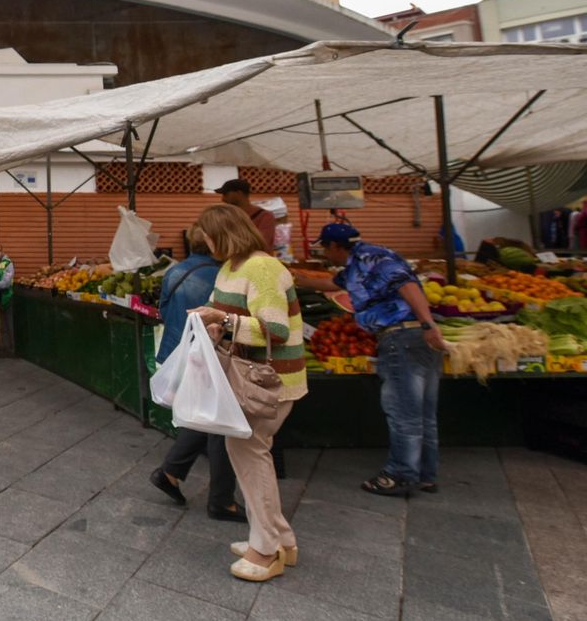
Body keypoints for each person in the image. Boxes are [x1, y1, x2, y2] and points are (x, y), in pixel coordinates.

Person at [189, 204, 307, 582]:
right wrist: (211, 320)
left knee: (251, 455)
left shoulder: (262, 267)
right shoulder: (231, 267)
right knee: (249, 452)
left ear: (222, 233)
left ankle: (266, 549)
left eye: (208, 237)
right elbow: (226, 312)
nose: (205, 244)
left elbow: (276, 330)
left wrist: (221, 321)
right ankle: (281, 540)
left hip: (270, 380)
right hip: (249, 376)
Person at [305, 223, 446, 497]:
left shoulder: (374, 259)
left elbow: (406, 285)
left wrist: (428, 325)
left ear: (336, 246)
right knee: (422, 413)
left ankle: (400, 474)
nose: (324, 254)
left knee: (403, 413)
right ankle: (426, 474)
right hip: (414, 338)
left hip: (402, 337)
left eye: (324, 248)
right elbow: (330, 284)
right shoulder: (356, 265)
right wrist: (292, 278)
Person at [147, 225, 241, 522]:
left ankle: (171, 472)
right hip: (208, 354)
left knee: (205, 416)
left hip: (179, 350)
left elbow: (162, 308)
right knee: (221, 421)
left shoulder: (174, 272)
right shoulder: (221, 275)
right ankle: (221, 500)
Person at [214, 178, 276, 253]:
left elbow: (262, 244)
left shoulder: (264, 216)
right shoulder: (227, 217)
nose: (223, 199)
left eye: (226, 194)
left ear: (239, 193)